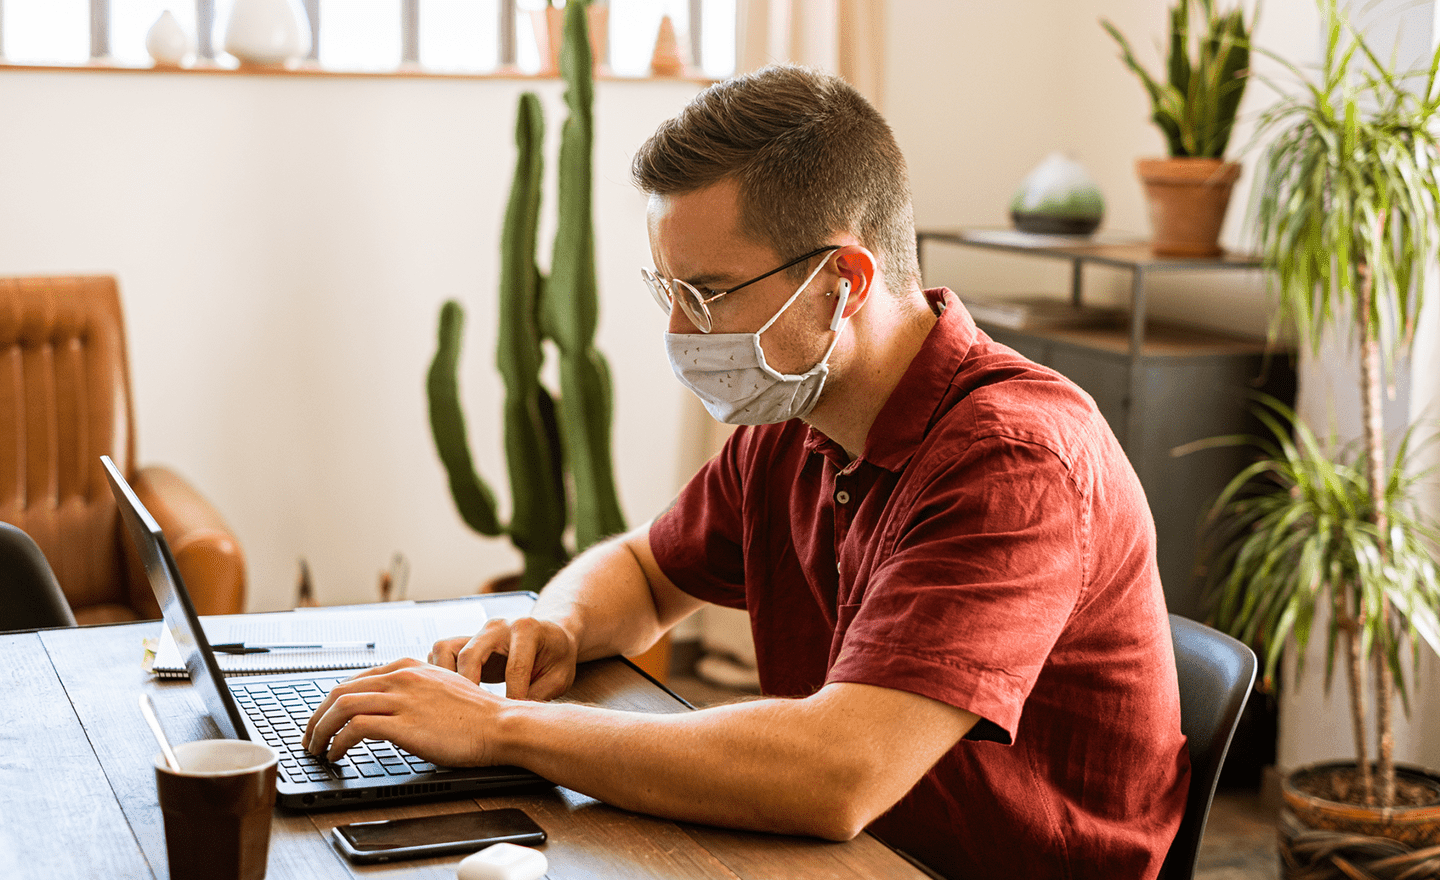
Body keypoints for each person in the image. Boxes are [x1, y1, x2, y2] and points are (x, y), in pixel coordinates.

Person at [305, 65, 1189, 880]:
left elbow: (838, 773)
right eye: (670, 292)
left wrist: (501, 727)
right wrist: (560, 624)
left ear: (844, 280)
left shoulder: (1013, 462)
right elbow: (647, 571)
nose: (683, 337)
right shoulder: (796, 413)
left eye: (711, 292)